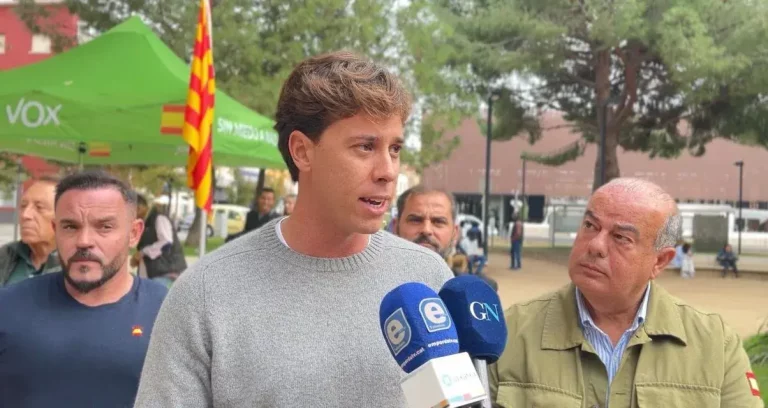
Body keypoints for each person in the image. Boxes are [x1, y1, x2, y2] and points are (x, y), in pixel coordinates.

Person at [134, 50, 454, 408]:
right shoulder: (208, 292)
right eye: (365, 146)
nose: (388, 170)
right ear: (302, 151)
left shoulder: (428, 279)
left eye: (394, 149)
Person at [489, 178, 763, 408]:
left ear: (660, 261)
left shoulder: (715, 346)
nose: (595, 245)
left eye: (621, 238)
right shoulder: (506, 334)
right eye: (590, 226)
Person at [0, 170, 168, 408]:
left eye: (104, 227)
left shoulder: (168, 312)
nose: (84, 241)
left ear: (134, 233)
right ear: (55, 229)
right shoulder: (8, 308)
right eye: (70, 227)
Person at [394, 185, 498, 291]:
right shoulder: (377, 283)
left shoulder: (479, 294)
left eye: (438, 221)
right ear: (395, 227)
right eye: (416, 220)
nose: (426, 230)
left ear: (455, 233)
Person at [0, 175, 61, 286]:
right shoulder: (6, 255)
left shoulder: (75, 266)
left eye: (39, 207)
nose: (25, 215)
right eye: (23, 206)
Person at [131, 195, 187, 286]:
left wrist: (142, 252)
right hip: (154, 275)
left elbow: (166, 243)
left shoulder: (159, 218)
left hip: (166, 274)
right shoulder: (147, 222)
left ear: (138, 208)